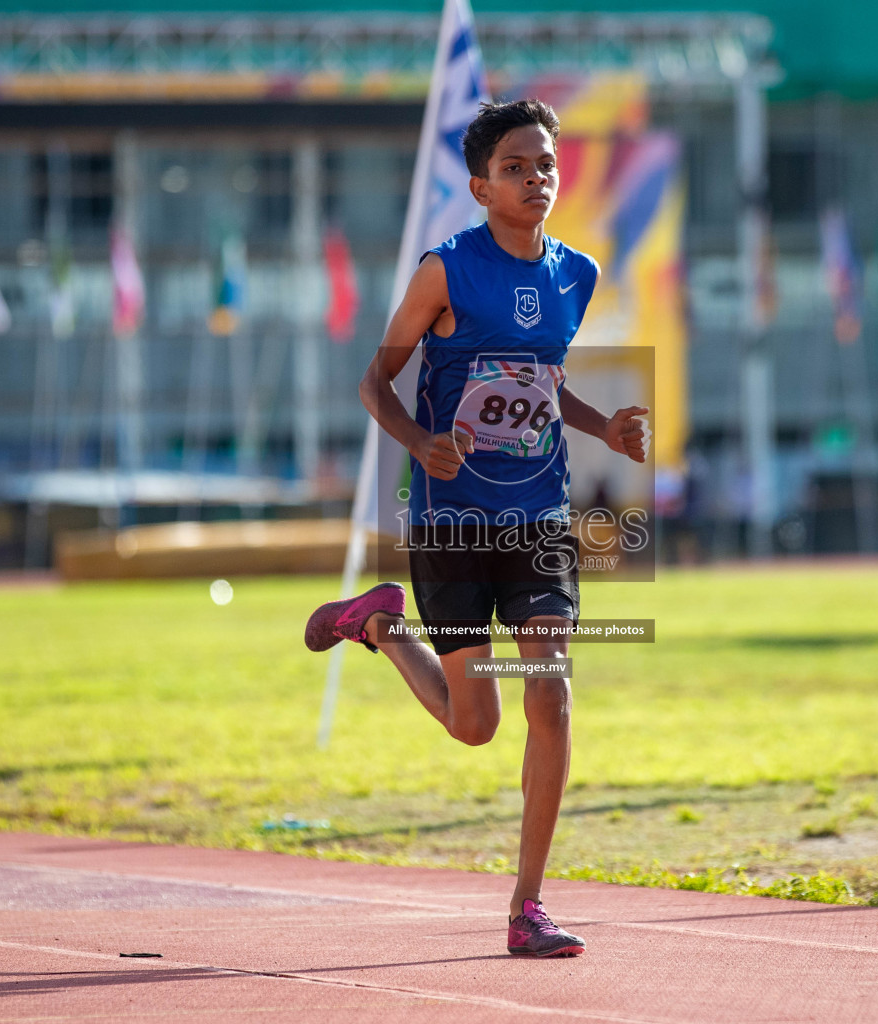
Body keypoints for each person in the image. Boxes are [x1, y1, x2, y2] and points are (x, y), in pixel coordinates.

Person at [304, 99, 649, 958]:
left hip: (537, 516)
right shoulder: (446, 270)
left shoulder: (578, 274)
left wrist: (603, 427)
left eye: (545, 165)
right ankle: (381, 626)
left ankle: (526, 908)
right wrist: (422, 442)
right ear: (479, 185)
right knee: (474, 725)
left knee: (552, 694)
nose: (536, 179)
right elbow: (374, 383)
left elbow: (543, 382)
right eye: (515, 168)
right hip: (454, 521)